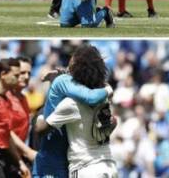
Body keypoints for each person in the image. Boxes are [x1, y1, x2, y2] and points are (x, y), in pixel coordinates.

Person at [32, 44, 114, 177]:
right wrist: (108, 89)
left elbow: (89, 97)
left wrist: (40, 119)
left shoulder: (77, 97)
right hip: (54, 164)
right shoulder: (98, 96)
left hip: (76, 163)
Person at [35, 97, 118, 178]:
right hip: (109, 165)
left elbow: (40, 129)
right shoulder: (103, 98)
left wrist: (41, 115)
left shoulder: (70, 103)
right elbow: (114, 122)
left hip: (85, 167)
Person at [0, 58, 30, 178]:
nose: (19, 78)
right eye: (16, 75)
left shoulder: (7, 101)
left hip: (3, 155)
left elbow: (7, 134)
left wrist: (19, 162)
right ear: (3, 75)